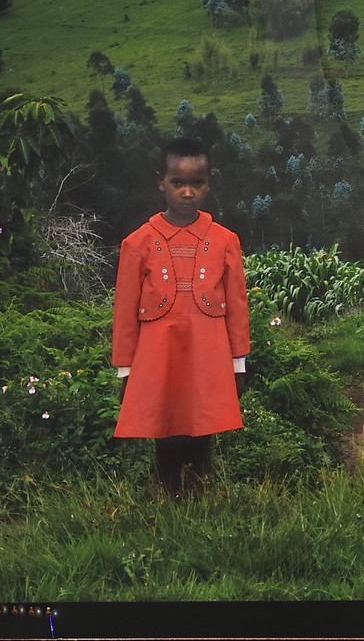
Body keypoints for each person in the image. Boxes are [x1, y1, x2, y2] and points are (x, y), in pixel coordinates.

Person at [111, 137, 250, 495]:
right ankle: (170, 501)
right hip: (158, 356)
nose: (187, 192)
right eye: (178, 183)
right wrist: (126, 370)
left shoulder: (225, 241)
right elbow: (125, 311)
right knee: (165, 428)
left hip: (208, 353)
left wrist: (238, 365)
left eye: (197, 183)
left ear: (209, 184)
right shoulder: (137, 242)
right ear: (162, 183)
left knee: (203, 426)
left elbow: (236, 306)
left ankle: (200, 501)